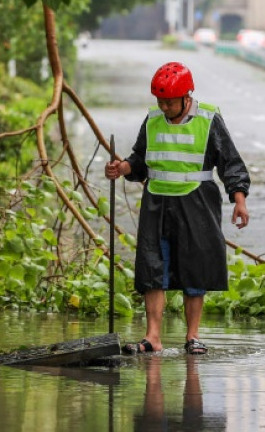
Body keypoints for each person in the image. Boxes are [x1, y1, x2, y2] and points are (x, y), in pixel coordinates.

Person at [105, 61, 250, 356]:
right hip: (156, 202)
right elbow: (140, 159)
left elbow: (229, 161)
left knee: (195, 267)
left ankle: (193, 336)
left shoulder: (208, 119)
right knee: (152, 265)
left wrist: (239, 198)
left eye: (169, 102)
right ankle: (152, 337)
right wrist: (123, 168)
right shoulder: (153, 119)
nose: (164, 106)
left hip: (196, 201)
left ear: (186, 97)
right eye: (160, 101)